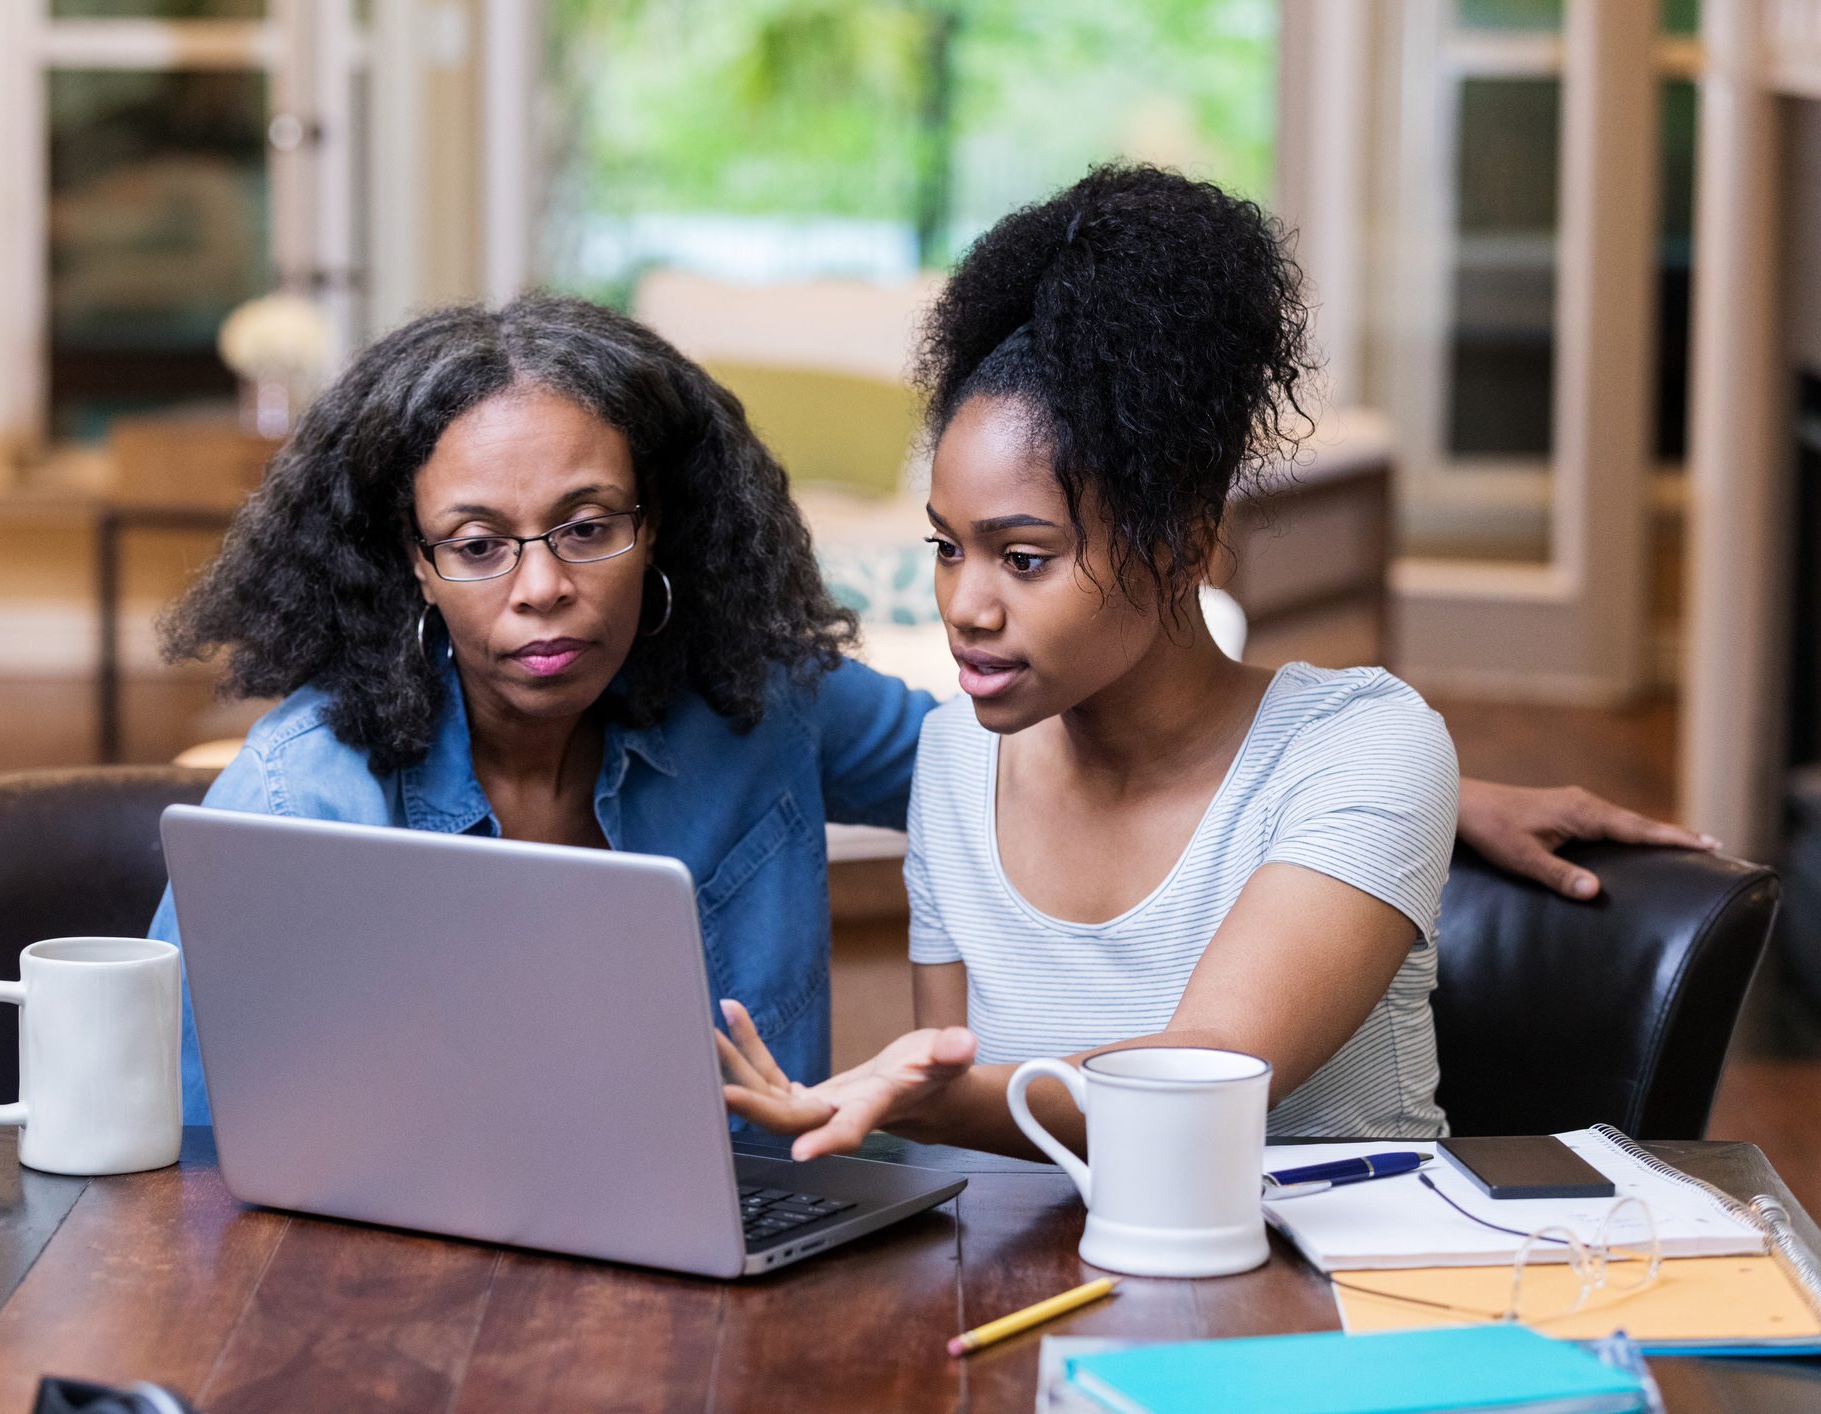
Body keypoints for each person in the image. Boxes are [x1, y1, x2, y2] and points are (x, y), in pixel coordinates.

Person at [150, 293, 1710, 1126]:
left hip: (771, 1246)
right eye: (478, 546)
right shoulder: (307, 796)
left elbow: (1052, 740)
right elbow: (195, 1135)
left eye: (590, 524)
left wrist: (1427, 794)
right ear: (409, 564)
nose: (541, 587)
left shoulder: (754, 705)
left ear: (661, 529)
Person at [718, 165, 1682, 1155]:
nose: (966, 605)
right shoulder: (956, 759)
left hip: (1342, 1296)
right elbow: (974, 1152)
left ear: (1181, 538)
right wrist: (924, 1107)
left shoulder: (1365, 748)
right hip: (1055, 1293)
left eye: (1025, 557)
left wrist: (912, 1099)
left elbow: (1218, 1071)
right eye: (947, 547)